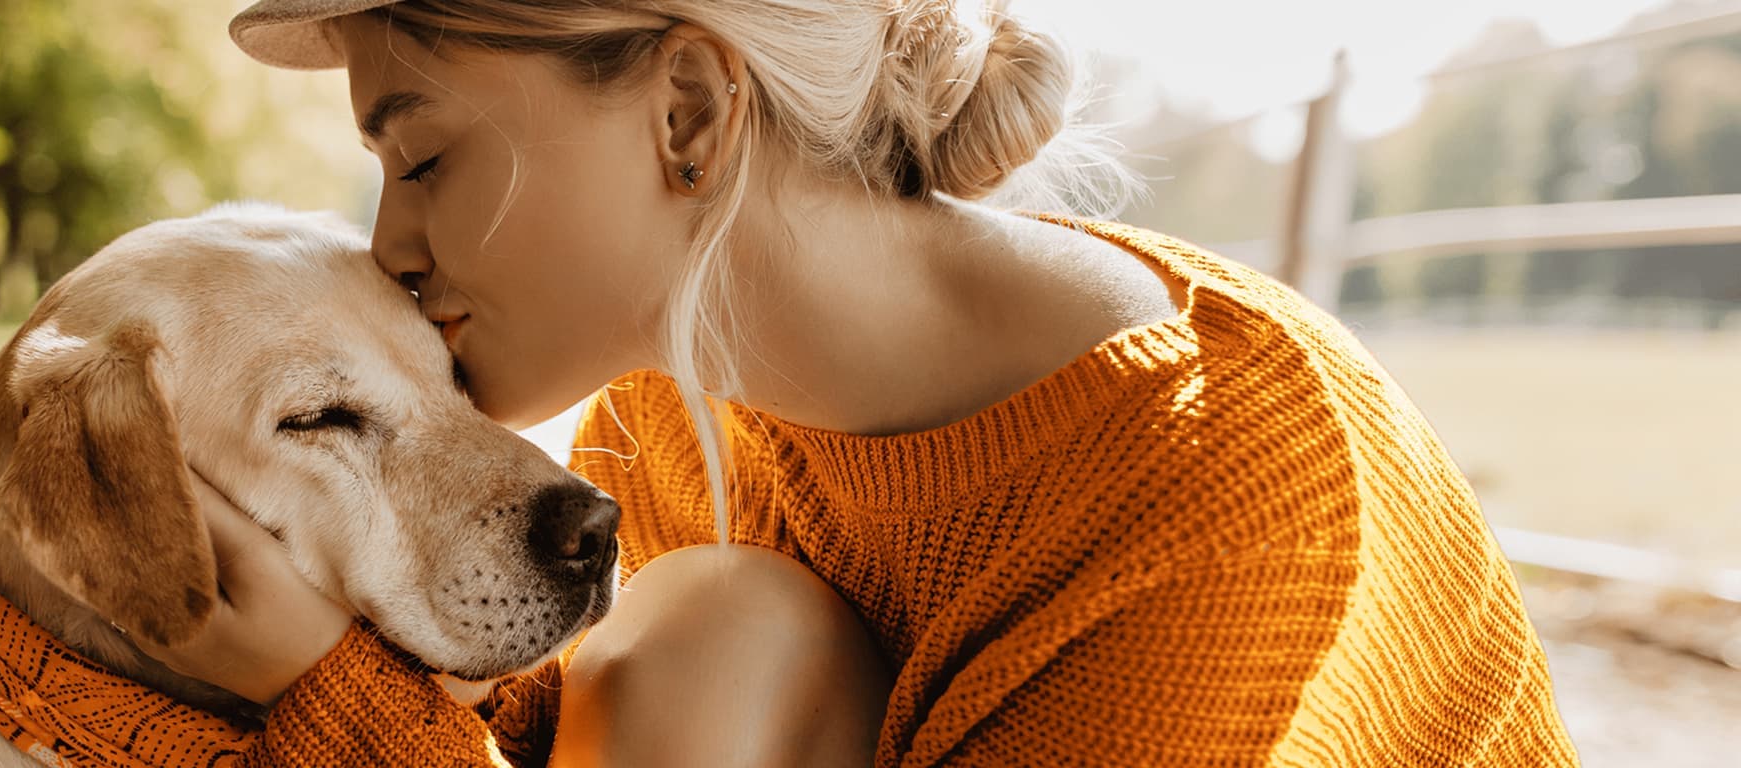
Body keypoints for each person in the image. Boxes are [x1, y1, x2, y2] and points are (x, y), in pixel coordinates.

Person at [129, 0, 1582, 765]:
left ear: (688, 113)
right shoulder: (673, 420)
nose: (389, 246)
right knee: (725, 621)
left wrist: (326, 697)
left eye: (421, 157)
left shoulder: (1231, 492)